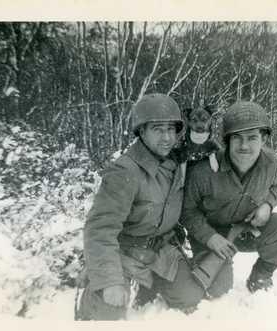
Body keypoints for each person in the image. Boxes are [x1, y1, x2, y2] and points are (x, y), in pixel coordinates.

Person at [77, 94, 204, 320]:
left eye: (171, 129)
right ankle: (90, 293)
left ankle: (147, 285)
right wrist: (109, 281)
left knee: (191, 296)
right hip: (125, 253)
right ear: (141, 132)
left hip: (162, 251)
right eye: (157, 129)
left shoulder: (176, 163)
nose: (166, 137)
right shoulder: (124, 172)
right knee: (108, 310)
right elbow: (100, 229)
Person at [181, 101, 277, 298]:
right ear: (227, 140)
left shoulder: (270, 163)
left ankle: (261, 276)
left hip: (246, 230)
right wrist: (210, 238)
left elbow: (275, 185)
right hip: (211, 235)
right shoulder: (203, 170)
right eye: (237, 138)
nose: (244, 146)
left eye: (252, 138)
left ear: (263, 139)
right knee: (216, 290)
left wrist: (268, 205)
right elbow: (187, 211)